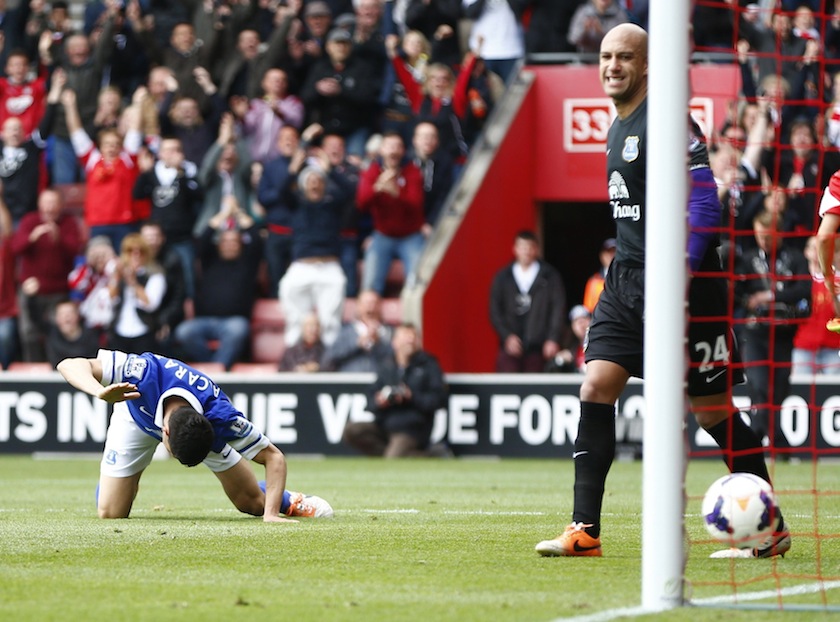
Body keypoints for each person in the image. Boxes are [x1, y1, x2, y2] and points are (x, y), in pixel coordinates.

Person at [535, 24, 790, 559]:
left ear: (648, 64)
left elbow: (703, 204)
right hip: (626, 279)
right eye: (606, 57)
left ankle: (771, 530)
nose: (612, 66)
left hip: (687, 285)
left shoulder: (669, 121)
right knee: (596, 385)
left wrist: (680, 274)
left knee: (713, 411)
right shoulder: (617, 123)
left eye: (624, 57)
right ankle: (585, 530)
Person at [55, 349, 333, 521]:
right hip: (134, 414)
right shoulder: (141, 372)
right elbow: (68, 364)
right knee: (111, 512)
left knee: (251, 504)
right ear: (165, 432)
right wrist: (98, 391)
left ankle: (290, 500)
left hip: (197, 430)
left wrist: (271, 515)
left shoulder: (221, 417)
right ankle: (116, 479)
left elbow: (273, 457)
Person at [735, 209, 810, 449]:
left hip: (784, 333)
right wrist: (747, 300)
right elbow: (736, 292)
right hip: (755, 333)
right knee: (758, 385)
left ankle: (758, 438)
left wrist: (769, 295)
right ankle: (774, 441)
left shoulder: (795, 258)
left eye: (767, 236)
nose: (763, 240)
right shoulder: (747, 260)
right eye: (759, 235)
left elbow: (804, 290)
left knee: (778, 390)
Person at [341, 323, 447, 457]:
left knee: (393, 457)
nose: (410, 340)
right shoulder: (387, 366)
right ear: (395, 342)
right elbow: (370, 400)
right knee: (352, 431)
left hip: (412, 429)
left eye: (413, 337)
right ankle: (422, 455)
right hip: (385, 425)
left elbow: (439, 399)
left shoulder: (428, 364)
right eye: (405, 337)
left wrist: (411, 396)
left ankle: (429, 456)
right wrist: (380, 401)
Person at [11, 188, 83, 362]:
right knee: (29, 333)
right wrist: (31, 238)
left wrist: (59, 239)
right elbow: (15, 248)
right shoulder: (30, 221)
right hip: (31, 291)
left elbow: (76, 250)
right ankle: (33, 369)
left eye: (53, 203)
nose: (50, 208)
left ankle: (56, 368)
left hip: (58, 291)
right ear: (39, 205)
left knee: (56, 333)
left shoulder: (68, 223)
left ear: (61, 205)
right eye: (46, 203)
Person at [356, 131, 426, 294]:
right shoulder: (373, 170)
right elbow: (361, 203)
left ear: (403, 151)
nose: (393, 151)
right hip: (383, 234)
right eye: (389, 146)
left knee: (417, 283)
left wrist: (396, 193)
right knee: (370, 284)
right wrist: (377, 189)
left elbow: (416, 205)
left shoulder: (412, 171)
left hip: (410, 235)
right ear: (381, 150)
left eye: (397, 146)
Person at [489, 230, 565, 373]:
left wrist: (552, 338)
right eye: (523, 247)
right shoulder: (503, 277)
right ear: (515, 249)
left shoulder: (549, 276)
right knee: (508, 389)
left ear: (536, 249)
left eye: (530, 247)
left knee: (537, 389)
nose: (527, 252)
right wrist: (507, 336)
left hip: (538, 347)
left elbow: (557, 309)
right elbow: (495, 311)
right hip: (509, 347)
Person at [791, 236, 840, 375]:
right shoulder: (797, 280)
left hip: (833, 348)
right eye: (814, 247)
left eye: (822, 247)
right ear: (806, 252)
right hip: (804, 347)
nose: (818, 251)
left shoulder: (837, 280)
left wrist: (834, 294)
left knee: (834, 392)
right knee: (800, 390)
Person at [322, 288, 394, 372]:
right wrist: (357, 344)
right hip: (351, 382)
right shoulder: (345, 332)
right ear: (358, 306)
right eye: (366, 303)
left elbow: (398, 359)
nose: (371, 307)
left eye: (374, 303)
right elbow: (329, 358)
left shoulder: (389, 333)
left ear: (380, 307)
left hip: (380, 383)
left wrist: (378, 344)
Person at [46, 299, 100, 368]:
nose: (66, 318)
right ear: (56, 318)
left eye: (69, 313)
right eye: (62, 314)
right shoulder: (52, 335)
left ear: (77, 316)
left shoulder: (91, 336)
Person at [549, 304, 591, 374]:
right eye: (577, 321)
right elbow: (550, 369)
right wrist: (560, 360)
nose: (581, 325)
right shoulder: (571, 348)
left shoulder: (599, 345)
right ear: (572, 326)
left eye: (584, 319)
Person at [582, 237, 616, 313]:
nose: (611, 256)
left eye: (614, 252)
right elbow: (588, 310)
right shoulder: (593, 282)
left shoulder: (627, 279)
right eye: (608, 252)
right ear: (602, 256)